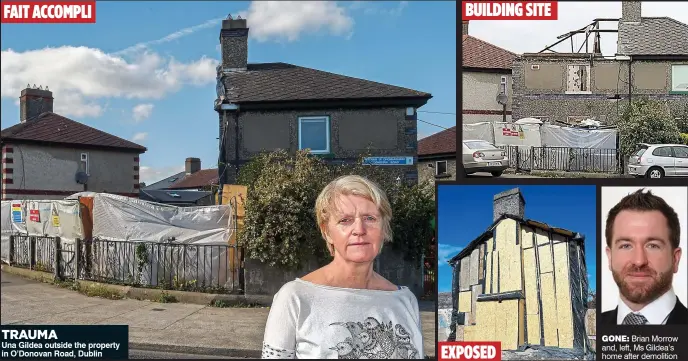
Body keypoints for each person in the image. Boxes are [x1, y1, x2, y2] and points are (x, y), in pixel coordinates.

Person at [261, 175, 424, 359]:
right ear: (327, 232)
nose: (359, 230)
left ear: (384, 229)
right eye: (345, 220)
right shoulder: (295, 298)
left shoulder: (405, 301)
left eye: (370, 218)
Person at [601, 189, 687, 325]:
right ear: (610, 257)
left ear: (675, 259)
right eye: (626, 246)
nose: (639, 261)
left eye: (653, 246)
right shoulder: (598, 325)